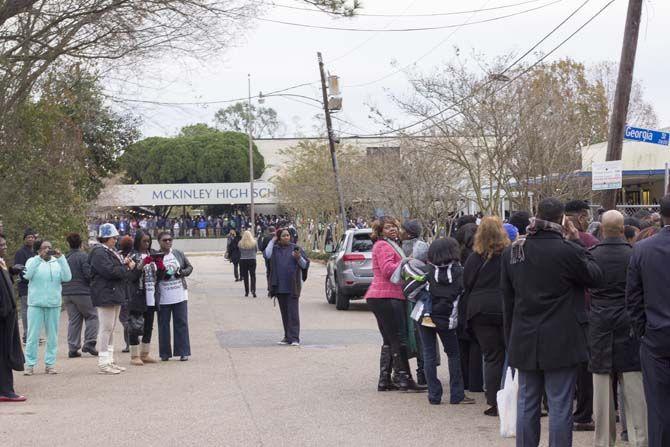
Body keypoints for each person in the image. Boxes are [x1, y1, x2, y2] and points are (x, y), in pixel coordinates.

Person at [501, 197, 603, 447]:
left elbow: (507, 300)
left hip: (525, 336)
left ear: (536, 215)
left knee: (527, 402)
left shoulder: (514, 251)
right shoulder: (568, 251)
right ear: (563, 219)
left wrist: (510, 340)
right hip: (562, 337)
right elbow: (596, 276)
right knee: (560, 405)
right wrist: (577, 240)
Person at [588, 211, 647, 447]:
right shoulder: (634, 255)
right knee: (633, 383)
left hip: (600, 321)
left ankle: (603, 440)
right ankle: (639, 437)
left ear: (602, 229)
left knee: (601, 385)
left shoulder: (592, 255)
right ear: (623, 229)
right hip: (628, 320)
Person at [627, 194, 670, 446]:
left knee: (658, 410)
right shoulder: (643, 249)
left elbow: (632, 298)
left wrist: (642, 331)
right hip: (653, 336)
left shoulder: (642, 249)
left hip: (655, 337)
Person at [364, 217, 425, 392]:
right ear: (380, 230)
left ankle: (385, 379)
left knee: (390, 339)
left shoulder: (390, 244)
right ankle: (404, 378)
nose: (392, 230)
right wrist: (407, 261)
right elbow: (387, 270)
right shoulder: (383, 245)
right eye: (388, 227)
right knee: (398, 337)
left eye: (395, 227)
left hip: (386, 296)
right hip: (386, 295)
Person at [419, 237, 473, 405]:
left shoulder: (426, 270)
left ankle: (434, 395)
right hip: (447, 317)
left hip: (424, 316)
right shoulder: (460, 272)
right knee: (453, 354)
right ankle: (457, 394)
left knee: (428, 354)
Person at [464, 216, 509, 416]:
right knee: (512, 355)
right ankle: (513, 397)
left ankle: (493, 400)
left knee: (491, 357)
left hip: (480, 309)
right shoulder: (509, 255)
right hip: (504, 307)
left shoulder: (474, 258)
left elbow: (466, 284)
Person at [565, 199, 599, 431]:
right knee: (584, 364)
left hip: (558, 312)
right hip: (585, 311)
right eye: (586, 216)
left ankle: (561, 407)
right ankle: (583, 414)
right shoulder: (589, 242)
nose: (587, 220)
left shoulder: (553, 243)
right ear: (578, 218)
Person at [90, 223, 134, 375]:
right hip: (105, 294)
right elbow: (109, 271)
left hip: (114, 293)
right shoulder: (98, 253)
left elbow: (115, 270)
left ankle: (109, 359)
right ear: (106, 238)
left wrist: (123, 266)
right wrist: (125, 267)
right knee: (106, 328)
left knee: (111, 328)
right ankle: (103, 362)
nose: (116, 240)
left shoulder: (108, 251)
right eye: (114, 238)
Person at [23, 240, 72, 375]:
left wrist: (61, 258)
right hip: (35, 304)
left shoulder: (57, 263)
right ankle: (30, 364)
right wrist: (39, 259)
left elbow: (67, 277)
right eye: (44, 248)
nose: (47, 250)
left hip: (53, 304)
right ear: (38, 250)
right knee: (32, 336)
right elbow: (27, 275)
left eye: (49, 248)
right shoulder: (32, 261)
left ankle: (50, 364)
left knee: (52, 336)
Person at [264, 228, 310, 347]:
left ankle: (295, 338)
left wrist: (298, 257)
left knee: (293, 313)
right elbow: (266, 254)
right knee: (284, 313)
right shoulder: (275, 249)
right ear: (279, 237)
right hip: (279, 286)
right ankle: (287, 336)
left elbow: (305, 265)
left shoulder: (295, 248)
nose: (286, 237)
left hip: (292, 286)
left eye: (288, 235)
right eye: (283, 236)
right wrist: (273, 240)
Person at [455, 221, 484, 393]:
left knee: (462, 341)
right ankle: (475, 381)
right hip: (473, 301)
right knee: (475, 343)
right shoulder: (479, 256)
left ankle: (464, 379)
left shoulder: (458, 254)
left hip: (462, 301)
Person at [156, 231, 193, 361]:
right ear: (159, 242)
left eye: (170, 240)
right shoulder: (156, 256)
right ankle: (165, 353)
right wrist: (161, 275)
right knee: (163, 325)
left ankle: (183, 351)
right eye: (165, 240)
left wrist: (181, 273)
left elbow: (189, 267)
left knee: (181, 323)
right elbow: (152, 275)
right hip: (163, 297)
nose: (168, 242)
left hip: (180, 295)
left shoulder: (178, 253)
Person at [62, 233, 99, 358]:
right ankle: (89, 342)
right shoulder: (83, 256)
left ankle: (73, 348)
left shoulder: (65, 257)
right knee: (92, 316)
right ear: (81, 243)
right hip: (82, 292)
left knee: (74, 320)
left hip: (67, 292)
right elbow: (88, 274)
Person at [0, 234, 27, 401]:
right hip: (2, 315)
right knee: (3, 354)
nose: (4, 247)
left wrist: (11, 272)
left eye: (4, 244)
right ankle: (6, 391)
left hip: (8, 315)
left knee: (6, 352)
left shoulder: (2, 262)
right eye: (1, 245)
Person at [127, 230, 159, 366]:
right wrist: (140, 265)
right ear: (138, 241)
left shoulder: (153, 253)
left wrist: (161, 267)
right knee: (135, 325)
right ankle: (134, 355)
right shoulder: (132, 256)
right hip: (138, 294)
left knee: (149, 325)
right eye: (144, 241)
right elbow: (131, 277)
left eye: (148, 241)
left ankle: (145, 353)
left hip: (151, 293)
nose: (146, 244)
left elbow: (159, 274)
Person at [13, 228, 36, 344]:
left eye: (32, 237)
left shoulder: (35, 253)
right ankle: (27, 335)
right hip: (25, 287)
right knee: (26, 311)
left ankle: (34, 334)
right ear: (24, 239)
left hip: (36, 287)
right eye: (28, 237)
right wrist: (28, 278)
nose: (30, 239)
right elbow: (20, 270)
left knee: (34, 311)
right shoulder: (20, 252)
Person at [238, 230, 258, 298]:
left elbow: (240, 251)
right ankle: (253, 290)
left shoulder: (240, 243)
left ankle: (246, 292)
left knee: (245, 276)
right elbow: (256, 250)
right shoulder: (254, 242)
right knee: (253, 275)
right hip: (252, 259)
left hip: (243, 260)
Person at [260, 226, 276, 297]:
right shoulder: (277, 237)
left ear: (269, 231)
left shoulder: (266, 238)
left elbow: (262, 248)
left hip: (268, 259)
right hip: (276, 258)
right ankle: (275, 288)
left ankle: (269, 288)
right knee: (276, 272)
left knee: (269, 272)